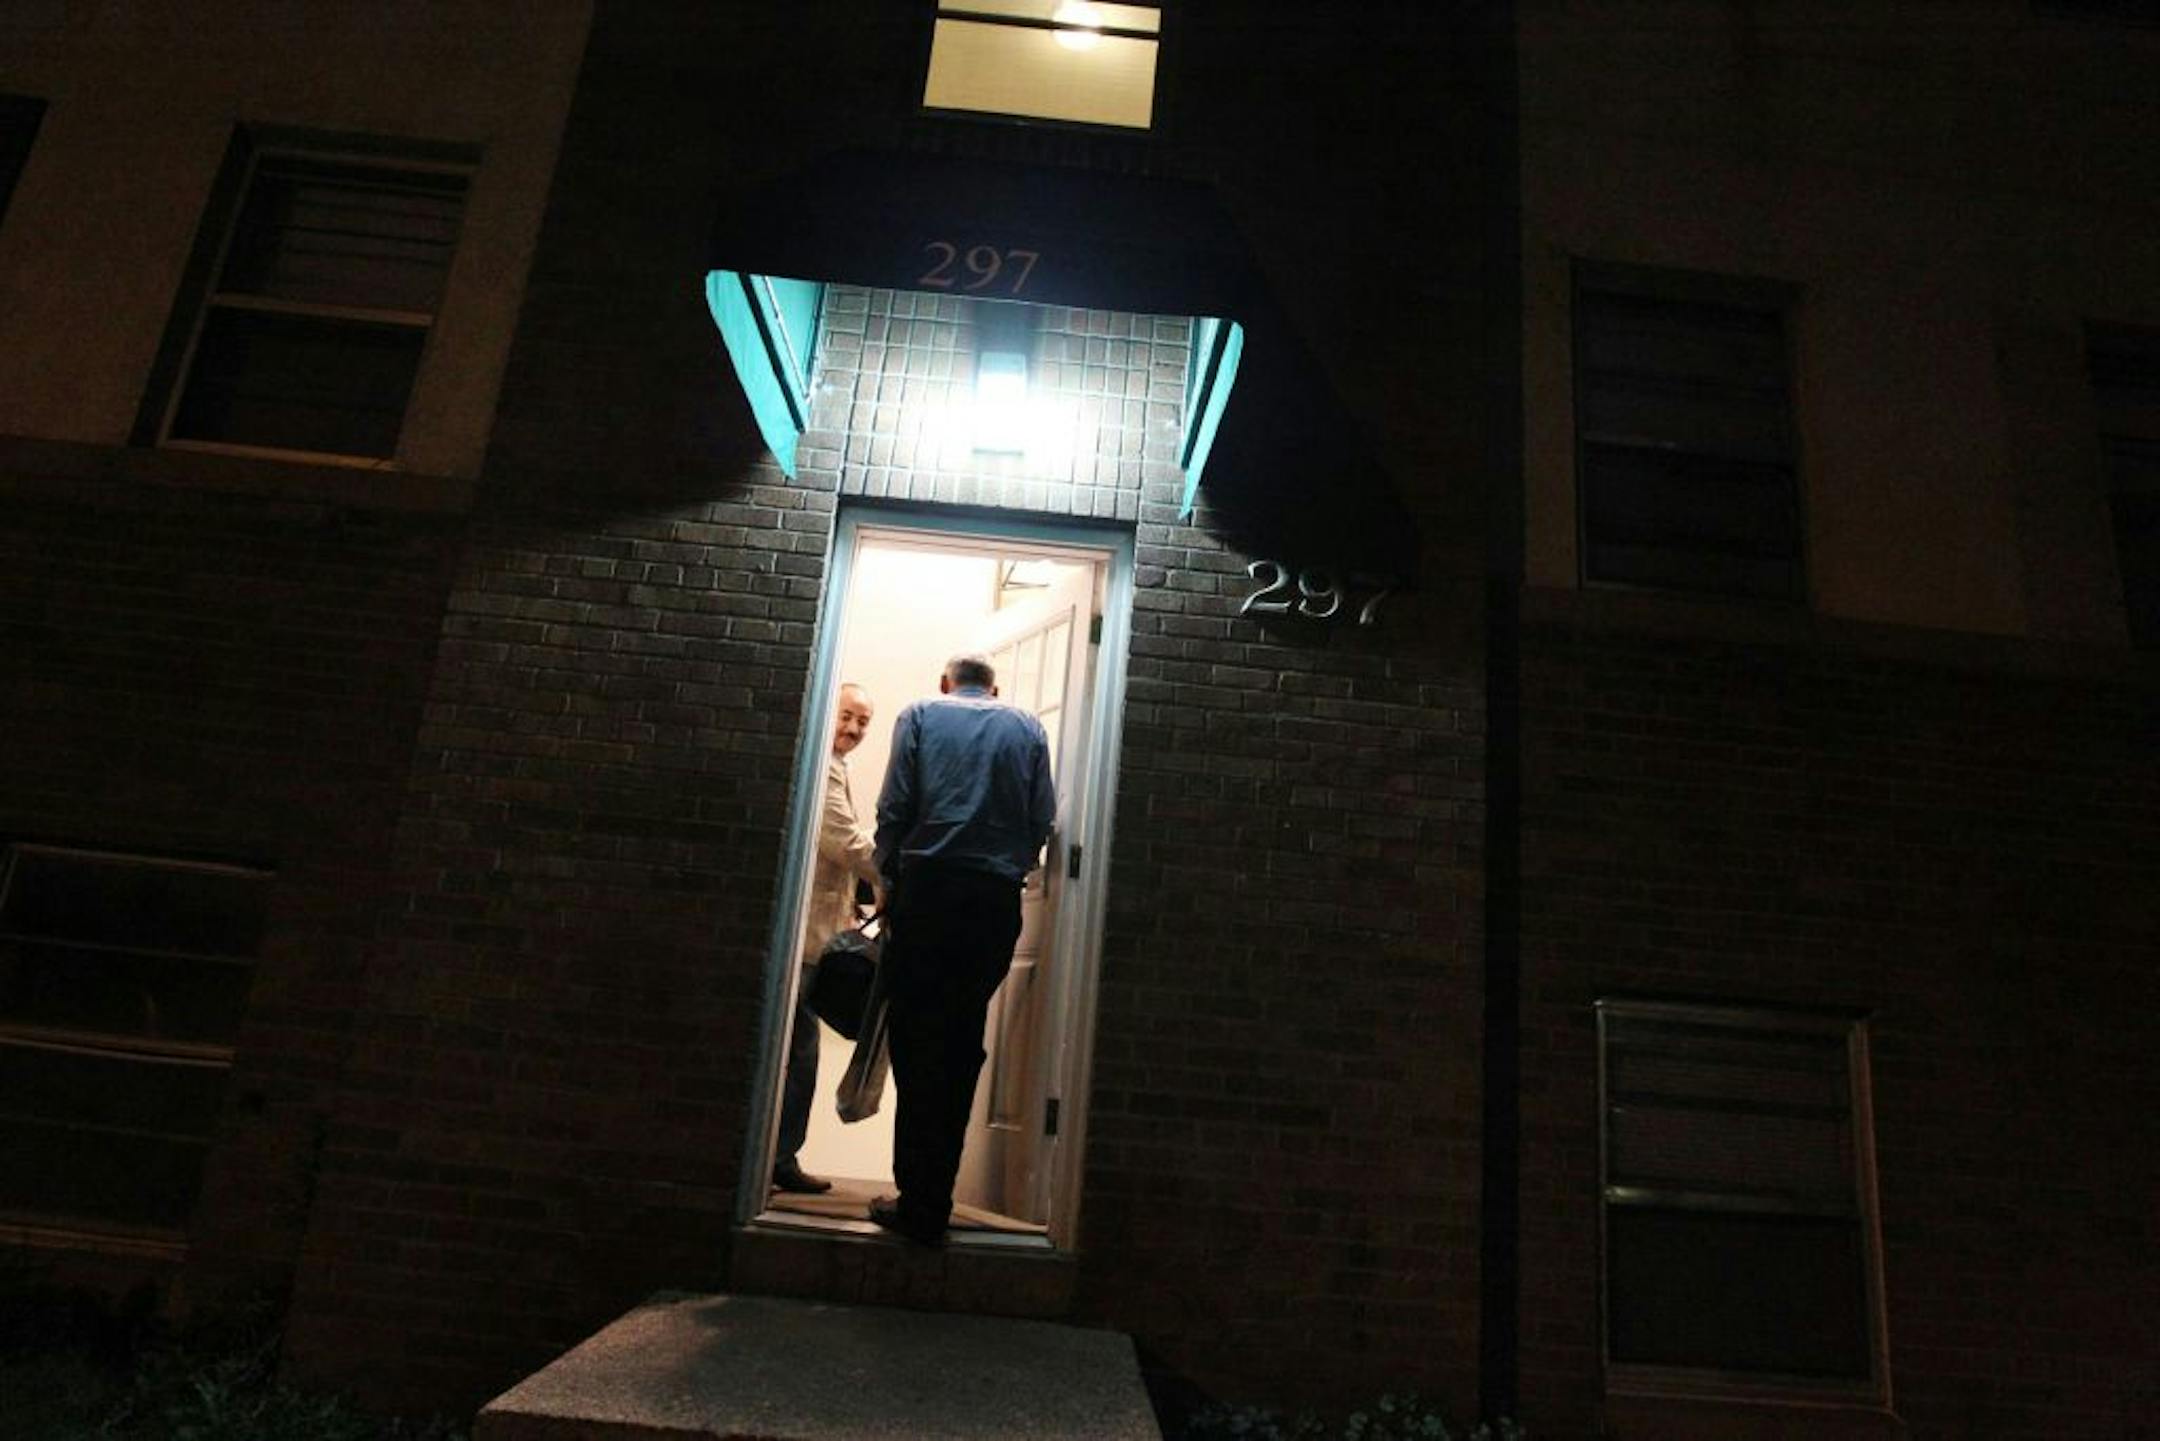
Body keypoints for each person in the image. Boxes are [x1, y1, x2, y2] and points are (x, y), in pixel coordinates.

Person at [868, 653, 1057, 1245]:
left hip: (929, 892)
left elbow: (895, 805)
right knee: (960, 1043)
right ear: (993, 688)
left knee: (915, 1041)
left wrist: (886, 877)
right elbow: (1042, 819)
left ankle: (915, 1199)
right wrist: (1011, 870)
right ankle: (935, 1201)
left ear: (945, 682)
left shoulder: (921, 713)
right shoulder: (1027, 725)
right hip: (991, 904)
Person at [773, 682, 883, 1195]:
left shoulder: (833, 765)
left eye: (863, 722)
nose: (854, 729)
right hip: (803, 937)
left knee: (799, 1048)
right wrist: (891, 875)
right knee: (798, 1051)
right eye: (847, 716)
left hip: (815, 932)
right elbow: (842, 839)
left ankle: (778, 1156)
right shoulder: (824, 765)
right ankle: (779, 1159)